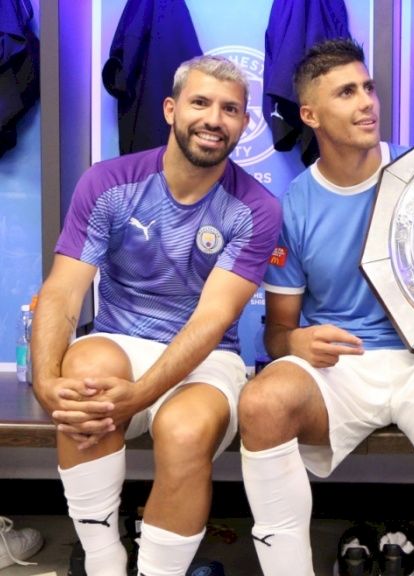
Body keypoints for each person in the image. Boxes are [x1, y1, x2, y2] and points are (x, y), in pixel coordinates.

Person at [236, 38, 414, 576]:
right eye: (346, 92)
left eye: (368, 88)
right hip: (338, 369)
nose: (366, 103)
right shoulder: (294, 205)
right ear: (310, 114)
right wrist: (293, 342)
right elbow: (277, 331)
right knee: (261, 403)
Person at [31, 55, 282, 576]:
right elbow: (61, 293)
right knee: (85, 382)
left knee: (185, 430)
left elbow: (212, 321)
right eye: (200, 102)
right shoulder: (107, 183)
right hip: (120, 339)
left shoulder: (256, 208)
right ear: (171, 110)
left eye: (230, 109)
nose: (215, 118)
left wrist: (141, 395)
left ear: (243, 123)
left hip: (209, 358)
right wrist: (45, 382)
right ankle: (103, 561)